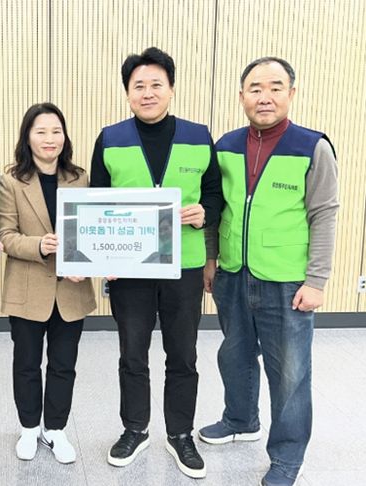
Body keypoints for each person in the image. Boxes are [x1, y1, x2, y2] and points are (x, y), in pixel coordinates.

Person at [198, 57, 339, 486]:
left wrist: (316, 280)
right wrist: (210, 259)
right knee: (235, 355)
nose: (265, 96)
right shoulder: (225, 146)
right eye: (255, 88)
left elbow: (325, 214)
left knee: (290, 373)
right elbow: (215, 208)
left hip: (287, 280)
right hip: (233, 273)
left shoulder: (312, 147)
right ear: (242, 96)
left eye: (275, 87)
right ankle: (241, 419)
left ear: (291, 94)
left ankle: (288, 455)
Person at [90, 47, 223, 478]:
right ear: (128, 93)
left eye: (156, 85)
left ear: (171, 89)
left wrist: (204, 213)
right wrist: (101, 254)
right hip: (130, 268)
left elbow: (215, 194)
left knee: (182, 353)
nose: (147, 93)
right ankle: (135, 428)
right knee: (132, 353)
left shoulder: (198, 137)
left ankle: (180, 433)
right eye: (138, 86)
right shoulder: (110, 138)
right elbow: (96, 203)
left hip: (184, 265)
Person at [0, 103, 96, 464]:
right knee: (26, 364)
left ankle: (54, 429)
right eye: (40, 131)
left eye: (56, 131)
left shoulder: (80, 178)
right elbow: (6, 235)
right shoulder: (12, 181)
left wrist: (87, 262)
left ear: (65, 137)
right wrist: (39, 245)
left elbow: (92, 230)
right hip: (27, 288)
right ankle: (28, 428)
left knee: (63, 364)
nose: (49, 139)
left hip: (71, 289)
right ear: (28, 137)